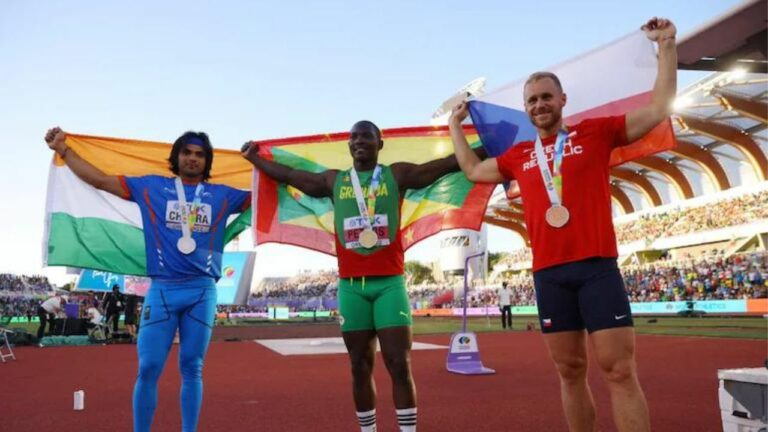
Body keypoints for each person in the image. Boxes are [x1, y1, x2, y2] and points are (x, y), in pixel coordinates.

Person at [449, 17, 677, 432]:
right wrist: (454, 125)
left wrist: (666, 46)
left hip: (596, 267)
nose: (539, 105)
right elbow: (472, 170)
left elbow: (658, 108)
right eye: (532, 100)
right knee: (569, 371)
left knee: (619, 370)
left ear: (562, 100)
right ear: (526, 108)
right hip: (549, 274)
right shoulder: (518, 156)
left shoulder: (596, 133)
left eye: (546, 97)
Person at [242, 120, 482, 432]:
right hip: (351, 288)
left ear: (379, 144)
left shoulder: (396, 175)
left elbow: (445, 165)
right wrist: (255, 158)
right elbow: (290, 176)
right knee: (359, 365)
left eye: (366, 136)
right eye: (354, 137)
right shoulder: (335, 181)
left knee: (399, 364)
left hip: (389, 284)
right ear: (348, 146)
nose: (359, 141)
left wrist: (487, 146)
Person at [45, 127, 250, 432]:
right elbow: (100, 180)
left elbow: (268, 195)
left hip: (202, 291)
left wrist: (268, 160)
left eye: (199, 154)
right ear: (176, 157)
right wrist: (64, 150)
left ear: (207, 162)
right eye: (187, 152)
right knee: (149, 367)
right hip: (163, 290)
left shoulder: (224, 195)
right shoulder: (151, 187)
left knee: (192, 367)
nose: (193, 158)